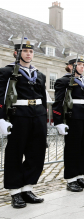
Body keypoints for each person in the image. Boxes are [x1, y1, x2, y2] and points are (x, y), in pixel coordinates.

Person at [0, 37, 46, 208]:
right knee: (15, 153)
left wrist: (44, 118)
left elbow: (42, 97)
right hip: (18, 115)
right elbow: (1, 96)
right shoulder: (6, 72)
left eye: (31, 51)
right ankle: (15, 191)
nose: (28, 54)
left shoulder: (39, 74)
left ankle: (27, 187)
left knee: (36, 153)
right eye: (25, 51)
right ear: (16, 53)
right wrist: (1, 118)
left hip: (38, 115)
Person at [53, 55, 84, 192]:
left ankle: (80, 175)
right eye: (80, 65)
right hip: (74, 116)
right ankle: (71, 179)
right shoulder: (63, 81)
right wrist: (58, 121)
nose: (83, 67)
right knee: (73, 148)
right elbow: (58, 102)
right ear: (71, 66)